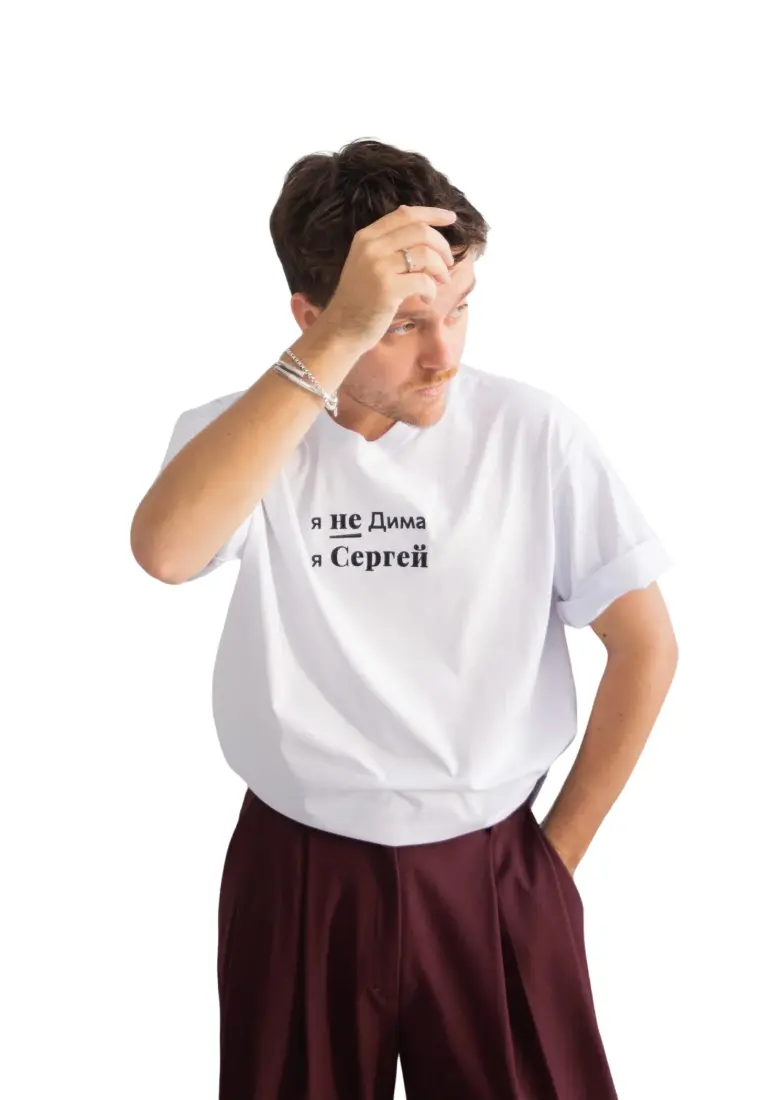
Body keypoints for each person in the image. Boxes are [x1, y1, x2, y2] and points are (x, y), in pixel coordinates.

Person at [130, 138, 679, 1100]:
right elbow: (167, 552)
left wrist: (550, 866)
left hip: (492, 866)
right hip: (296, 868)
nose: (445, 355)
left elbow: (645, 645)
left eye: (460, 308)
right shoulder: (242, 436)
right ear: (315, 318)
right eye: (404, 324)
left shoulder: (532, 433)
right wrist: (335, 345)